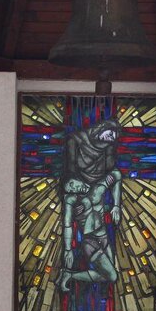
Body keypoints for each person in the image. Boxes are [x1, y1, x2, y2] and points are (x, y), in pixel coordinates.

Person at [57, 119, 122, 293]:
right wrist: (68, 250)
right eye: (71, 188)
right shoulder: (72, 201)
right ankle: (70, 275)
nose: (75, 187)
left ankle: (69, 274)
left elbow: (116, 174)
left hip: (104, 237)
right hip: (90, 241)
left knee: (111, 276)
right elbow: (67, 225)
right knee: (113, 276)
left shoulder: (97, 189)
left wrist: (116, 206)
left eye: (73, 183)